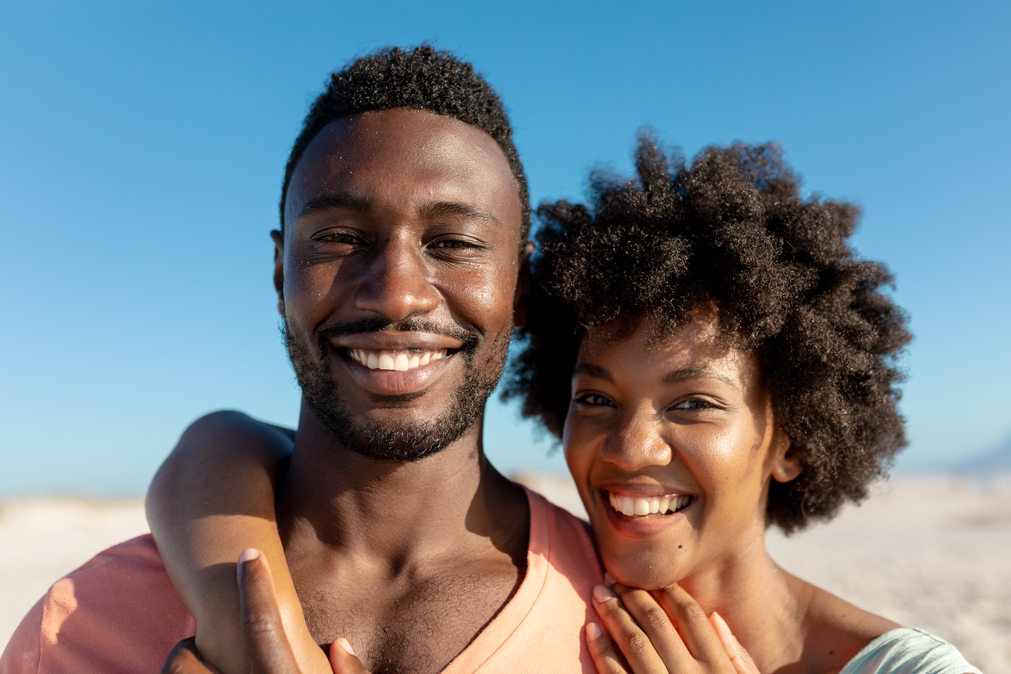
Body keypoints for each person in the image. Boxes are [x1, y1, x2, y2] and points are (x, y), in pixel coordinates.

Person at [142, 136, 980, 673]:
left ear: (789, 439)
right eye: (594, 397)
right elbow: (221, 445)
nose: (630, 448)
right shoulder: (568, 608)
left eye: (692, 402)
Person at [0, 46, 605, 674]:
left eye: (453, 243)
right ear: (278, 270)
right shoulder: (78, 628)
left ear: (521, 288)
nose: (397, 294)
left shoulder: (627, 628)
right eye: (340, 239)